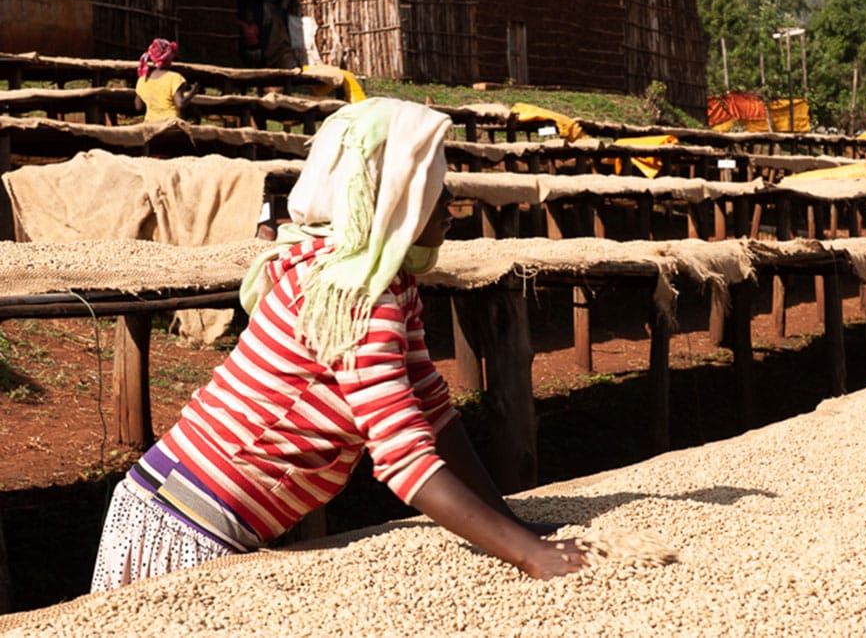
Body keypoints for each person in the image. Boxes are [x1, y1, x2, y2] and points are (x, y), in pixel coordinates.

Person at [91, 97, 589, 592]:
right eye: (433, 190)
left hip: (202, 514)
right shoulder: (351, 293)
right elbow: (402, 455)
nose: (450, 206)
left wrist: (514, 527)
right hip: (186, 524)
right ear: (389, 196)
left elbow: (432, 412)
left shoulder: (384, 281)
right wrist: (528, 555)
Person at [134, 38, 200, 122]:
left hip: (150, 125)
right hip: (170, 125)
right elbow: (180, 104)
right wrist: (193, 92)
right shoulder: (175, 78)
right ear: (170, 58)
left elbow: (138, 106)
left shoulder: (142, 80)